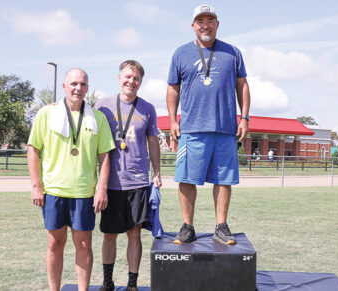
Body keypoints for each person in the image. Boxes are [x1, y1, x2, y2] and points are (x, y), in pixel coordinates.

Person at [166, 4, 250, 245]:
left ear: (217, 24)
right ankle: (187, 226)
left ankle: (221, 226)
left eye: (210, 20)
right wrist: (172, 120)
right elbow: (173, 88)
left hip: (225, 129)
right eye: (200, 21)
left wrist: (244, 117)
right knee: (186, 179)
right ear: (193, 25)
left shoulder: (233, 53)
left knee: (223, 180)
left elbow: (242, 86)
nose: (205, 25)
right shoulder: (181, 53)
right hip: (192, 128)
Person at [27, 68, 115, 291]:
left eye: (83, 84)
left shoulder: (98, 118)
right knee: (55, 243)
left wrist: (101, 189)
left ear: (88, 88)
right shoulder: (46, 113)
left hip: (84, 193)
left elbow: (105, 156)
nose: (78, 88)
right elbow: (33, 150)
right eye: (74, 83)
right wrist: (37, 186)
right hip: (54, 191)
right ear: (64, 86)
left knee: (84, 244)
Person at [95, 60, 162, 291]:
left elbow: (153, 142)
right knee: (110, 234)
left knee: (135, 235)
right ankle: (107, 282)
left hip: (138, 181)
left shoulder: (148, 108)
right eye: (127, 76)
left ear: (140, 82)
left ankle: (132, 284)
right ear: (119, 77)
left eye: (136, 78)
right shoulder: (102, 105)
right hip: (110, 183)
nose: (131, 81)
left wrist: (158, 172)